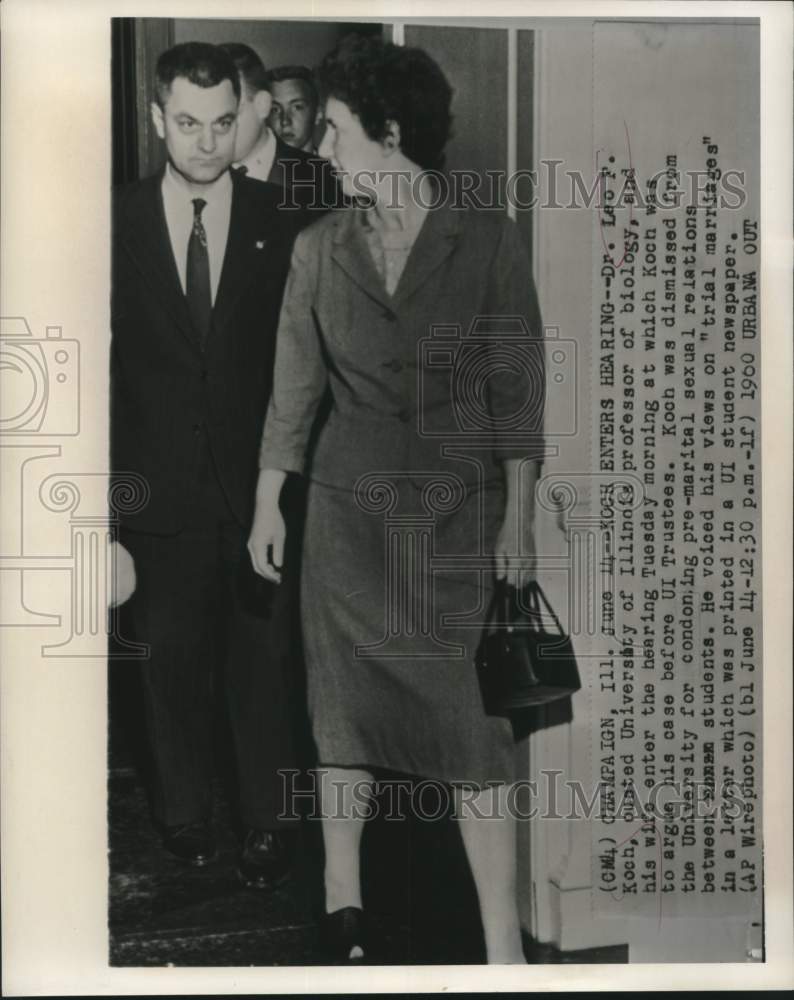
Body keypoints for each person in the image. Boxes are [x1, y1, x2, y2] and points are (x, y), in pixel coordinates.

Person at [249, 35, 545, 964]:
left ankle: (504, 952)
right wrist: (269, 504)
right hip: (344, 522)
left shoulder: (486, 239)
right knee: (340, 724)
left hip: (454, 523)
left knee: (475, 737)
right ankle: (347, 913)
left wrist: (520, 519)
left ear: (386, 130)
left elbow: (517, 392)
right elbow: (293, 390)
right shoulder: (317, 249)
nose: (322, 150)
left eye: (334, 131)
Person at [111, 41, 306, 889]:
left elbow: (297, 370)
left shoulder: (279, 220)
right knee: (170, 664)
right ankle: (184, 814)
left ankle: (268, 822)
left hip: (254, 488)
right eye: (186, 124)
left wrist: (283, 489)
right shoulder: (111, 221)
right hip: (155, 495)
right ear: (158, 120)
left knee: (261, 669)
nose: (205, 142)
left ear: (243, 118)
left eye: (222, 123)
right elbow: (95, 370)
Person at [219, 43, 339, 210]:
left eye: (228, 114)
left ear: (262, 105)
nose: (214, 130)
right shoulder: (194, 174)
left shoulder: (331, 180)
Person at [266, 65, 321, 153]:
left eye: (297, 107)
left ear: (318, 113)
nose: (285, 121)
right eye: (275, 110)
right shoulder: (249, 166)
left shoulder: (333, 166)